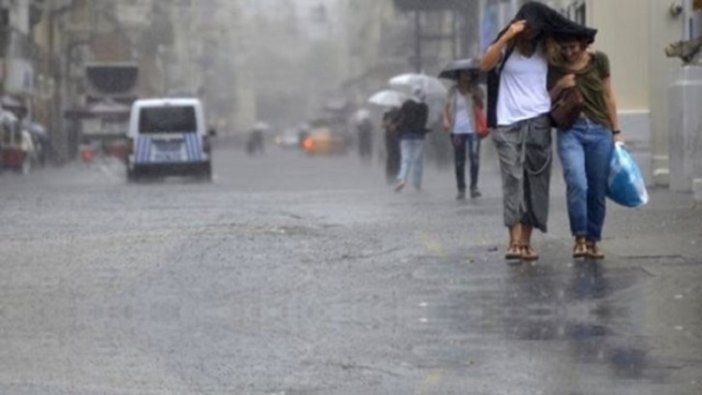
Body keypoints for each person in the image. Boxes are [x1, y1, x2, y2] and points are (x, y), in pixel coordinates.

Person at [479, 1, 597, 262]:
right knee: (512, 178)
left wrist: (562, 84)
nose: (531, 34)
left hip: (539, 121)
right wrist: (508, 35)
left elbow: (580, 39)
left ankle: (526, 242)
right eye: (528, 29)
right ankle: (513, 240)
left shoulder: (548, 48)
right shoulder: (507, 46)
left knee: (536, 181)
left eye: (537, 29)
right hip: (507, 121)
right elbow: (484, 64)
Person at [548, 35, 622, 260]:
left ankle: (593, 240)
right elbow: (544, 100)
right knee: (577, 182)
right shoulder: (555, 66)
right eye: (565, 48)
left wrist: (616, 131)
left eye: (573, 47)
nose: (569, 52)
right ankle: (579, 237)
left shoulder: (599, 61)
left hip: (600, 130)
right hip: (571, 130)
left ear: (583, 45)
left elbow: (608, 95)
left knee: (597, 189)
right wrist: (560, 85)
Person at [442, 69, 484, 200]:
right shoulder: (452, 91)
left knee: (474, 158)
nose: (466, 76)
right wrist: (446, 120)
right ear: (458, 76)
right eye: (463, 74)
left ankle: (474, 187)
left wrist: (476, 95)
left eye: (468, 74)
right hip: (457, 130)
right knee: (459, 161)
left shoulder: (475, 89)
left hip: (473, 130)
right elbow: (446, 107)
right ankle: (461, 188)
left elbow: (481, 106)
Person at [394, 87, 429, 192]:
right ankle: (417, 184)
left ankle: (402, 179)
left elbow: (400, 117)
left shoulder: (406, 104)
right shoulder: (424, 106)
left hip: (405, 135)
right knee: (417, 161)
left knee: (405, 159)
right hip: (419, 136)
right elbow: (424, 121)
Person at [382, 106, 401, 183]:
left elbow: (403, 123)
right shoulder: (387, 114)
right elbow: (382, 125)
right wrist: (388, 123)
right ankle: (390, 175)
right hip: (389, 138)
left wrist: (396, 125)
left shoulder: (401, 114)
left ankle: (396, 175)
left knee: (397, 156)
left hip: (398, 137)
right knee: (391, 156)